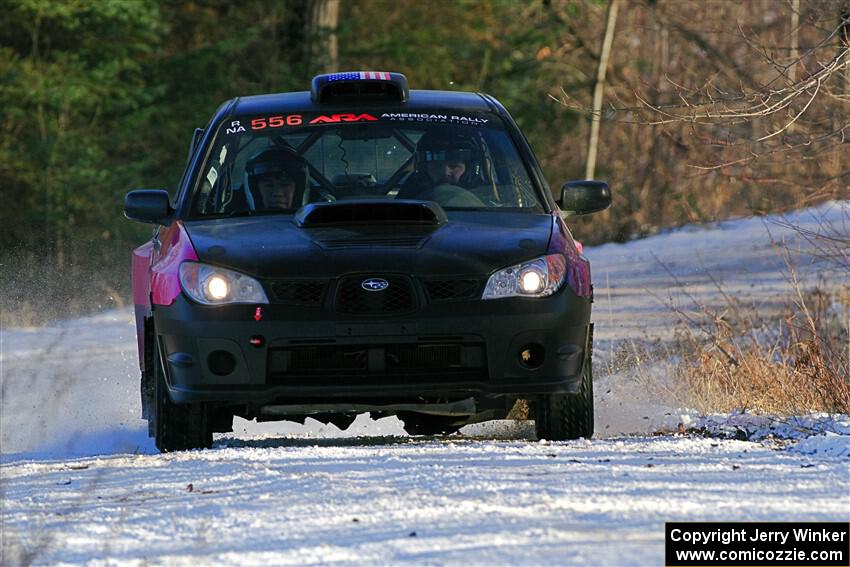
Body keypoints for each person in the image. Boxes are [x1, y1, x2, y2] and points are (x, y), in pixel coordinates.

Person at [397, 130, 484, 201]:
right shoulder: (411, 190)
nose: (445, 173)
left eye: (454, 166)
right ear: (424, 169)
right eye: (437, 166)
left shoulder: (483, 194)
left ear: (469, 170)